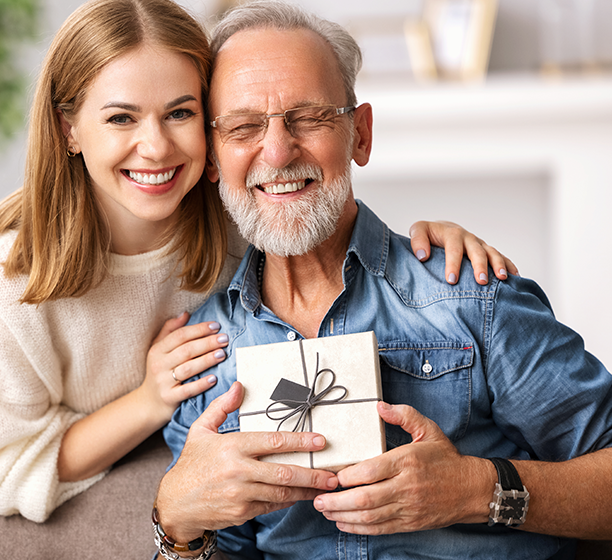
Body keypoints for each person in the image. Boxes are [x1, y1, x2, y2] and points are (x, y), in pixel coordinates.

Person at [0, 0, 515, 524]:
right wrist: (150, 400)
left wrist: (427, 239)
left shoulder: (239, 225)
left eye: (179, 113)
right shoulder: (13, 277)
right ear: (68, 129)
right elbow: (5, 468)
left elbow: (334, 230)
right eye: (121, 119)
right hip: (121, 496)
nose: (154, 147)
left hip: (248, 492)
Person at [154, 2, 612, 559]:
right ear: (212, 158)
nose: (276, 151)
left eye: (309, 117)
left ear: (361, 134)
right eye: (244, 127)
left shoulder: (471, 293)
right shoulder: (204, 356)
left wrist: (476, 490)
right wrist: (176, 521)